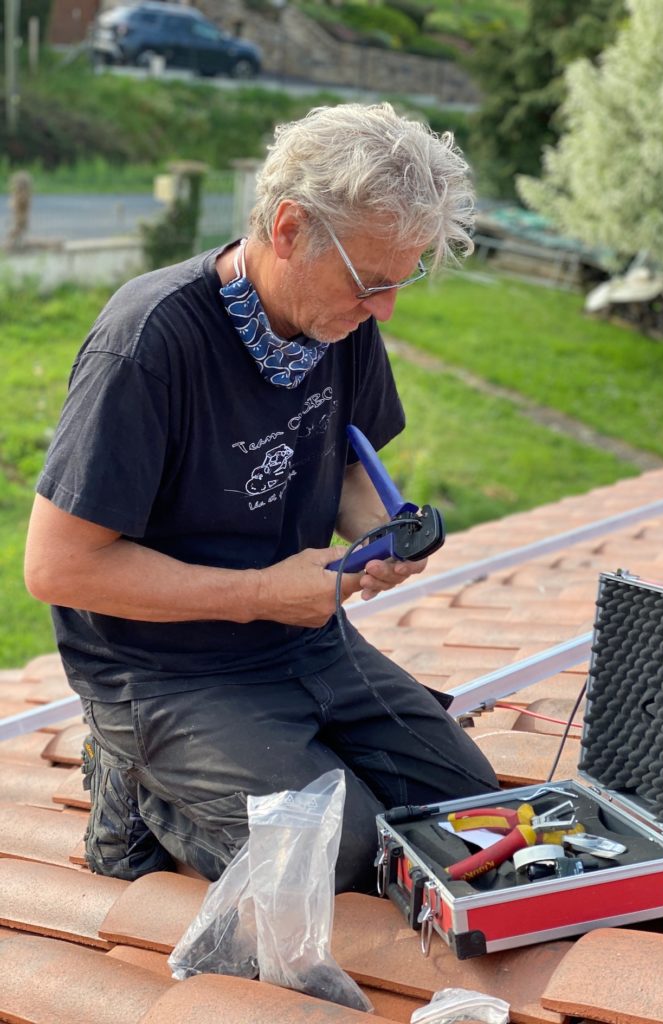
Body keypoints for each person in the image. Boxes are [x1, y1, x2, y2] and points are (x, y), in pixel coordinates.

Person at [24, 102, 499, 891]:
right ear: (287, 229)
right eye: (371, 281)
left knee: (461, 817)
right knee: (333, 859)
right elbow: (58, 567)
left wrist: (378, 531)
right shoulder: (148, 343)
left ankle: (267, 763)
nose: (385, 308)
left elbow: (348, 468)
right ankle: (133, 785)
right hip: (165, 671)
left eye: (399, 280)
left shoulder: (338, 319)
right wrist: (258, 595)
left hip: (304, 640)